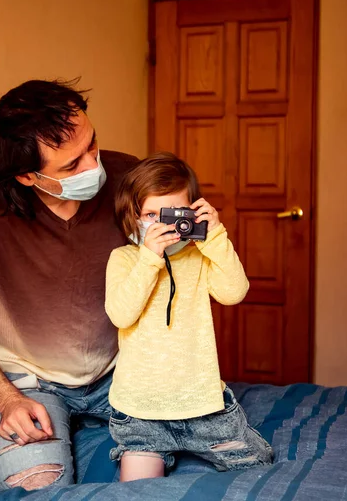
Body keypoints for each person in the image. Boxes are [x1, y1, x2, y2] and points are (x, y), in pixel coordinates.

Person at [0, 79, 137, 490]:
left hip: (123, 369)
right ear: (27, 176)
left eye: (92, 146)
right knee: (39, 486)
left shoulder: (130, 176)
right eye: (72, 165)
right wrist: (6, 399)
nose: (94, 166)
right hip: (26, 380)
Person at [105, 153, 274, 481]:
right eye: (151, 214)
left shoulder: (201, 255)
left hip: (203, 406)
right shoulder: (125, 259)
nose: (163, 225)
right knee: (137, 490)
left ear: (192, 212)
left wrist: (216, 236)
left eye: (172, 213)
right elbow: (120, 315)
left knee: (257, 469)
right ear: (133, 215)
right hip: (141, 409)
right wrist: (149, 259)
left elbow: (234, 292)